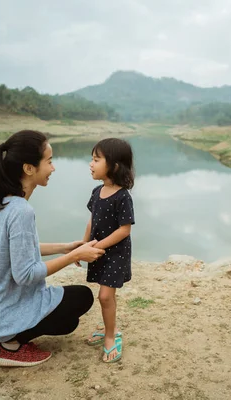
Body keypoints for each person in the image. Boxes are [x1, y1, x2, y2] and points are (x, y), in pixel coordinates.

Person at [0, 130, 105, 368]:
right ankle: (8, 344)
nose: (53, 168)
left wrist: (65, 247)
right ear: (29, 168)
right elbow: (25, 275)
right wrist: (75, 256)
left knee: (69, 318)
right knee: (82, 298)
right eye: (49, 162)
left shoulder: (3, 201)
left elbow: (16, 250)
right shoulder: (21, 211)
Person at [82, 138, 135, 363]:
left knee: (105, 296)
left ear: (113, 165)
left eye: (96, 160)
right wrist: (83, 245)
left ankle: (111, 337)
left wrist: (97, 246)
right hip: (97, 250)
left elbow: (124, 230)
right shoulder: (97, 191)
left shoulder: (123, 196)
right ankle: (107, 329)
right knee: (103, 296)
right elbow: (92, 219)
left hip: (115, 253)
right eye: (92, 159)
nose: (91, 164)